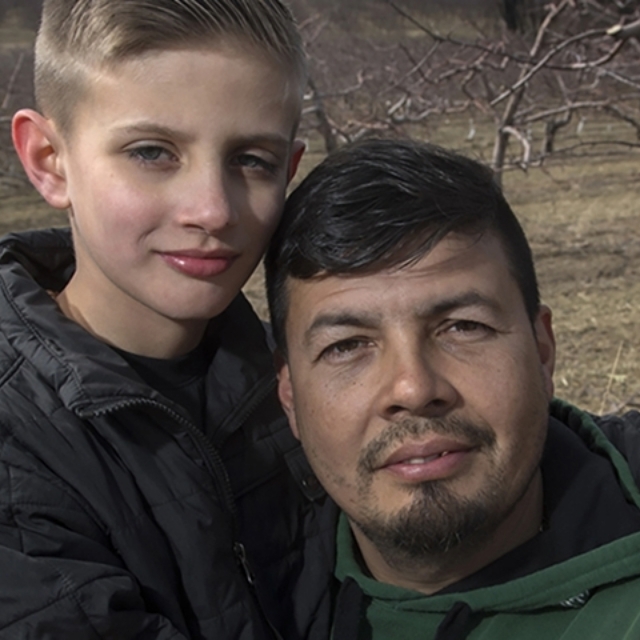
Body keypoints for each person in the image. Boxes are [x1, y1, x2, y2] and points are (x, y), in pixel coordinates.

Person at [0, 1, 334, 638]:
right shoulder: (16, 443)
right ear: (48, 159)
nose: (212, 209)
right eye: (152, 152)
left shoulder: (295, 377)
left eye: (250, 161)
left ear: (288, 173)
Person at [264, 137, 640, 639]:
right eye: (347, 346)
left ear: (542, 349)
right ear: (289, 393)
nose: (414, 388)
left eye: (463, 327)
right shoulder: (241, 595)